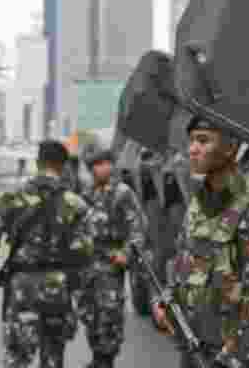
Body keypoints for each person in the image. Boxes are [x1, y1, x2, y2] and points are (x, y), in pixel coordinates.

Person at [151, 116, 249, 368]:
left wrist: (230, 359)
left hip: (229, 356)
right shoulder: (197, 204)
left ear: (230, 148)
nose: (192, 149)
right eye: (191, 141)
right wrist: (165, 299)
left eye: (203, 141)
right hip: (194, 347)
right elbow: (185, 267)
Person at [0, 140, 94, 368]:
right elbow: (86, 251)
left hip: (21, 288)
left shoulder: (13, 197)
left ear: (37, 162)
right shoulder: (76, 204)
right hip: (57, 292)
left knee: (18, 358)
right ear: (62, 167)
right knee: (52, 359)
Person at [73, 148, 149, 368]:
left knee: (109, 313)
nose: (103, 167)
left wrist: (126, 254)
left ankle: (106, 360)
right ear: (91, 169)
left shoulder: (122, 192)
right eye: (97, 164)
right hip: (87, 265)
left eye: (106, 162)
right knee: (89, 313)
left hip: (109, 265)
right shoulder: (85, 194)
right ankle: (97, 357)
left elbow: (138, 227)